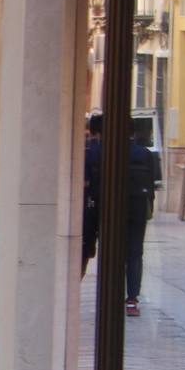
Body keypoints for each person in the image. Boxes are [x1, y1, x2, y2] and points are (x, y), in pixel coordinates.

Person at [126, 124, 162, 317]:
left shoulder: (111, 152)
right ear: (134, 133)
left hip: (115, 210)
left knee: (114, 255)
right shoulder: (145, 154)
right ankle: (132, 299)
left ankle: (111, 296)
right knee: (135, 254)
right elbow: (152, 184)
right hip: (139, 209)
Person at [82, 112, 102, 272]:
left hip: (90, 204)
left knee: (86, 246)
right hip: (110, 206)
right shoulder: (116, 151)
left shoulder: (89, 151)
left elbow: (84, 182)